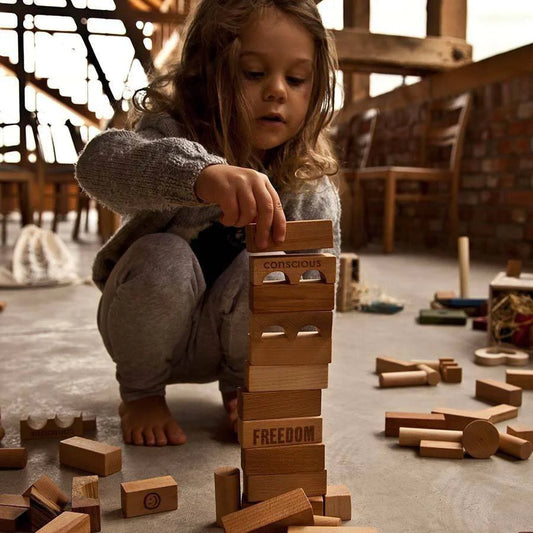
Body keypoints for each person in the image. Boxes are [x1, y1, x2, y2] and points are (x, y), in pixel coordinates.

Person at [75, 0, 341, 447]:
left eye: (296, 79)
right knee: (165, 255)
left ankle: (241, 385)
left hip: (234, 343)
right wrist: (198, 176)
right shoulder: (171, 132)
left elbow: (315, 292)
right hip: (147, 329)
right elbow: (98, 164)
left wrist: (277, 377)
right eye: (254, 73)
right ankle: (141, 395)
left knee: (276, 272)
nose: (277, 91)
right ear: (205, 74)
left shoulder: (307, 184)